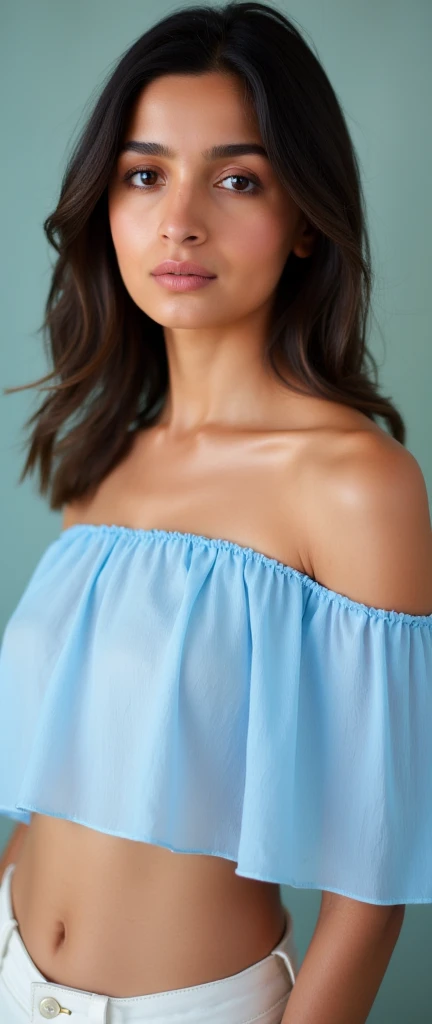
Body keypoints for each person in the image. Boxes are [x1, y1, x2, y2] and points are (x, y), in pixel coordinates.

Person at [0, 2, 431, 1022]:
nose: (179, 219)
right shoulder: (104, 459)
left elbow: (370, 893)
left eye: (237, 180)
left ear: (308, 220)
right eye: (145, 174)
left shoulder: (357, 484)